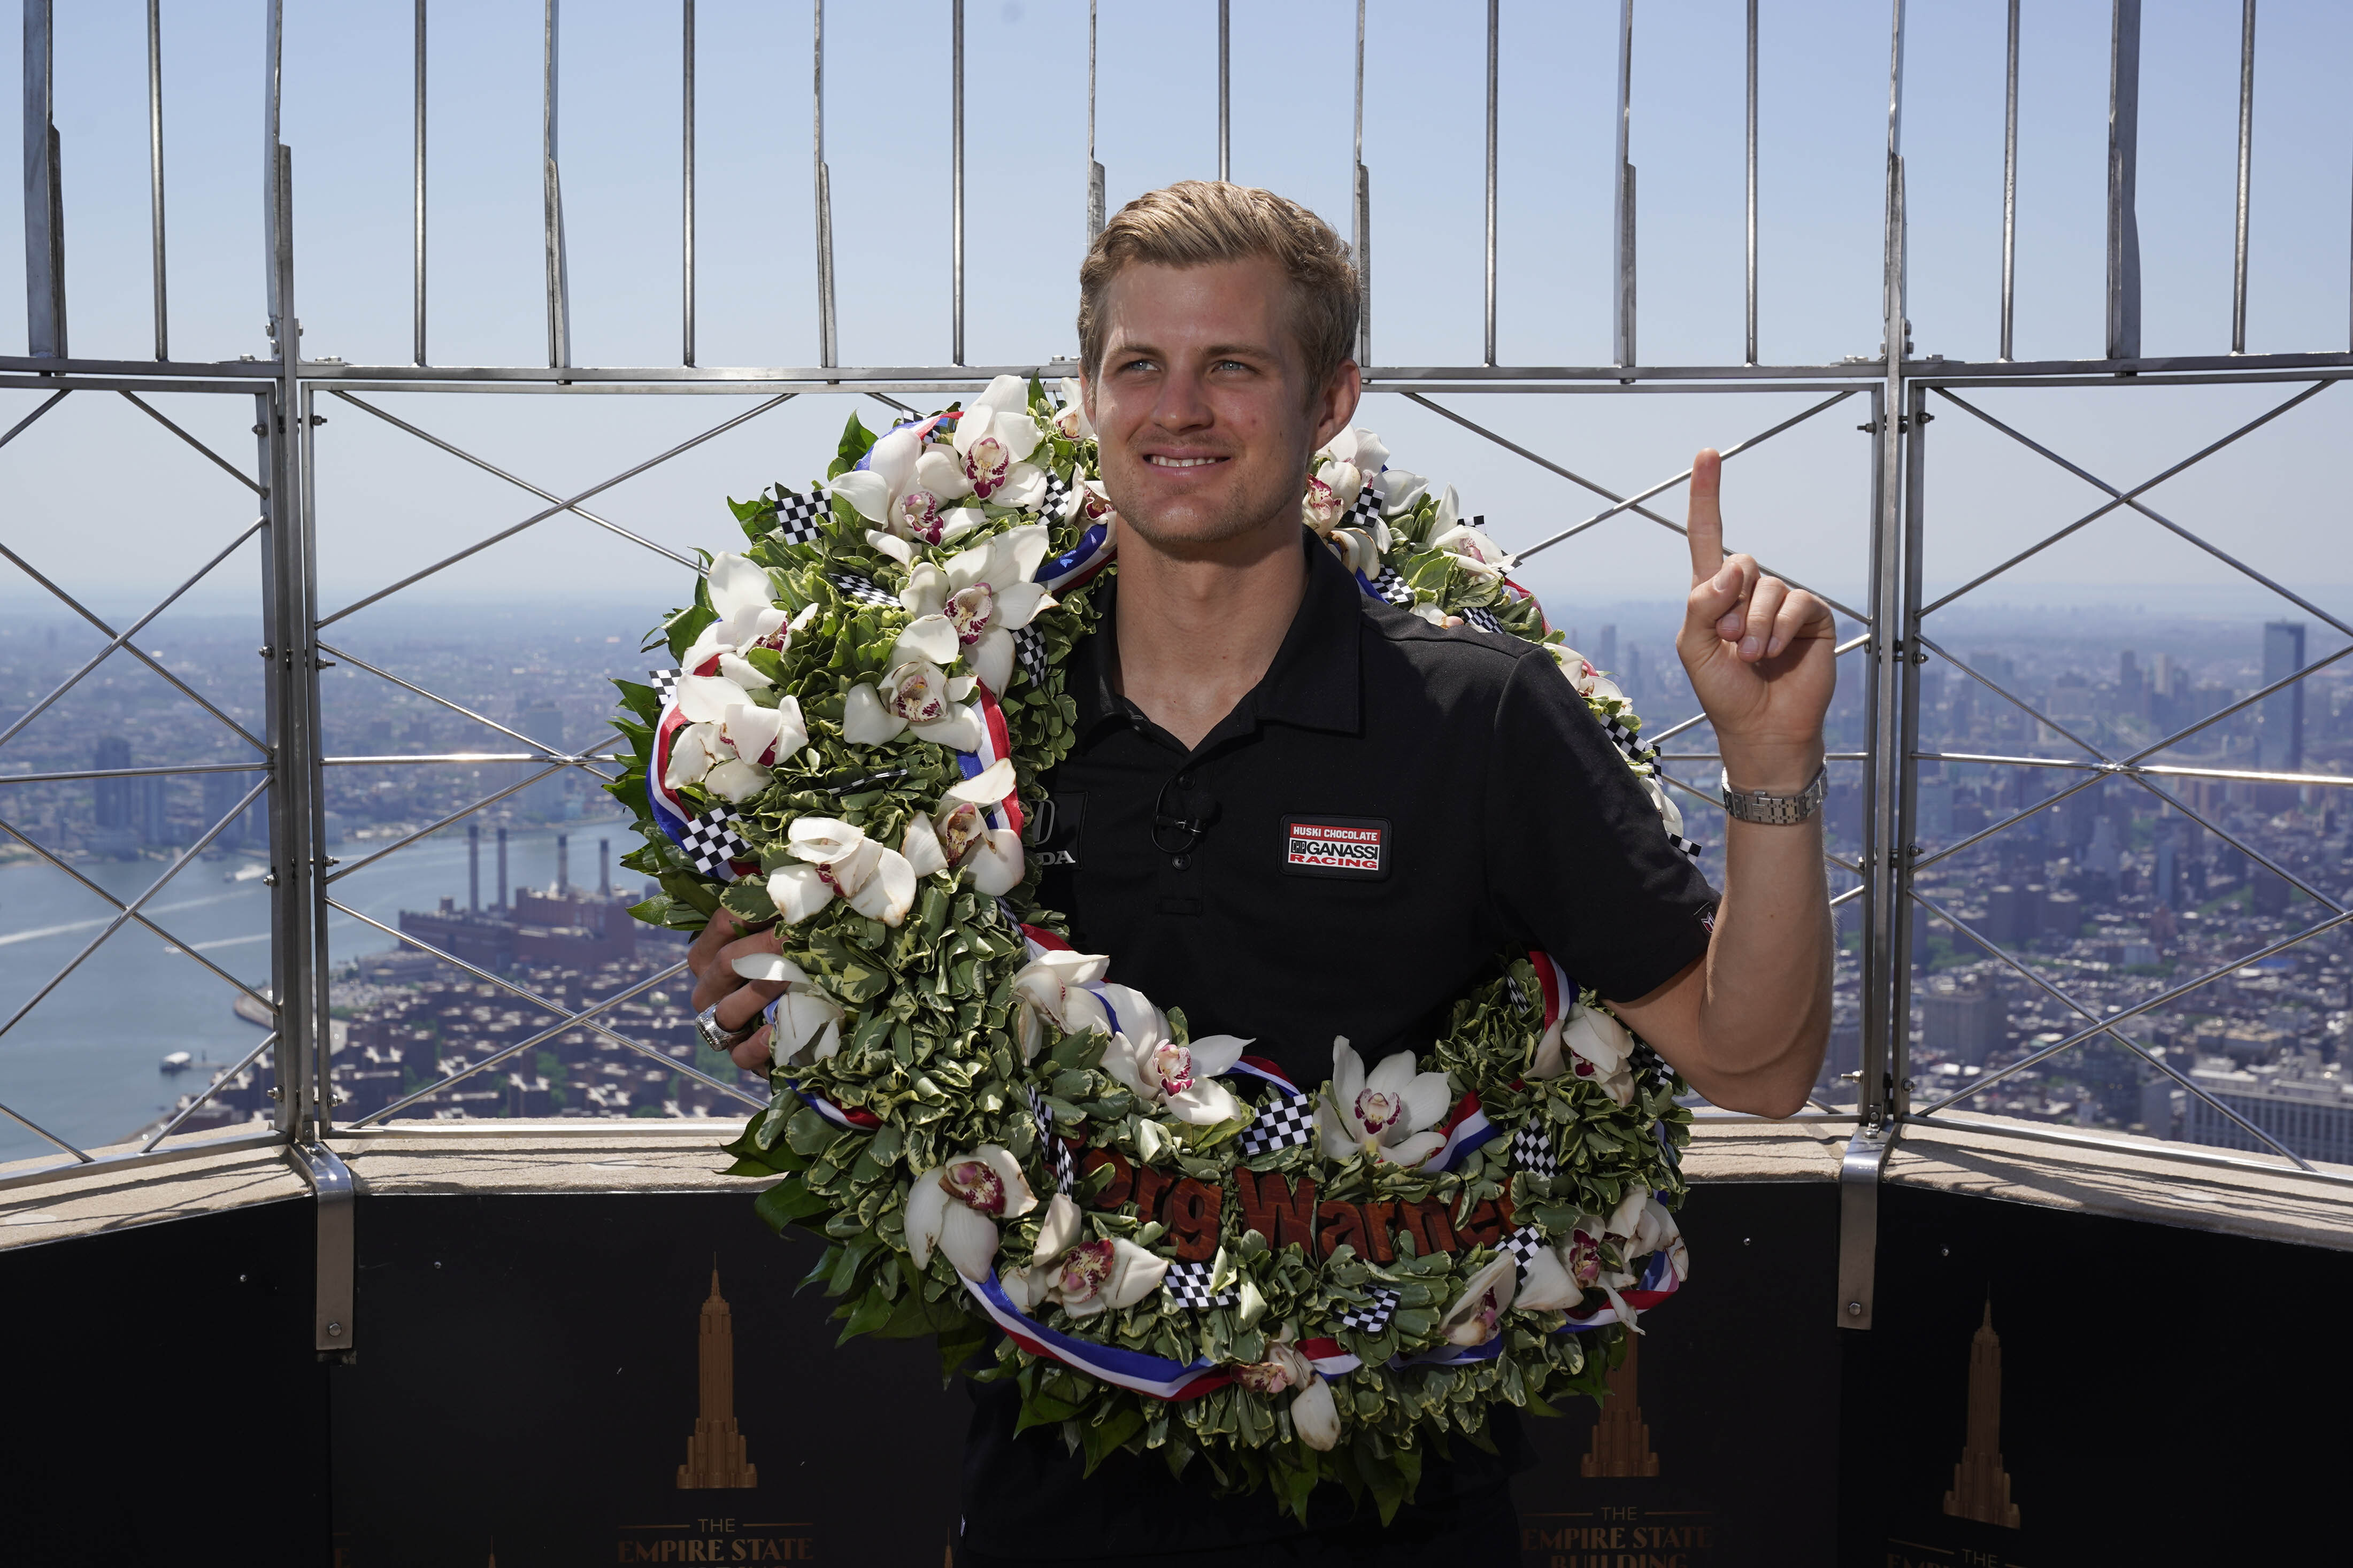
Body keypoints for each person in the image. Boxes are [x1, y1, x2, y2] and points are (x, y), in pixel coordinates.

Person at [687, 181, 1833, 1565]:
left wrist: (1770, 763)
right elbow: (869, 1016)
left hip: (1404, 1512)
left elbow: (1755, 1061)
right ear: (1088, 397)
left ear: (1329, 400)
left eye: (1234, 365)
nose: (1181, 409)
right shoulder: (950, 720)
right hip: (1050, 1505)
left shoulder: (1481, 718)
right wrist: (802, 995)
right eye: (1140, 366)